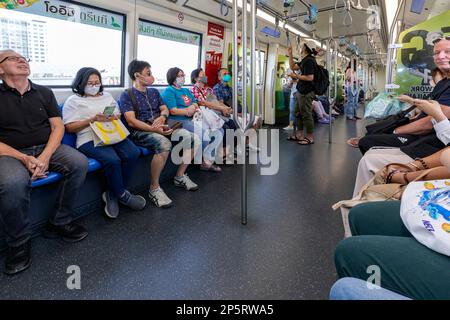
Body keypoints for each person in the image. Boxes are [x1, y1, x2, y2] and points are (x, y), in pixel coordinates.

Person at [0, 49, 89, 275]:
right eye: (13, 58)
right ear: (1, 68)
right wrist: (23, 158)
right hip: (10, 152)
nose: (21, 60)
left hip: (45, 147)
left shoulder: (44, 92)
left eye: (23, 58)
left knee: (78, 163)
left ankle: (59, 221)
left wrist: (44, 157)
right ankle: (18, 242)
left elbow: (57, 127)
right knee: (12, 183)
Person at [63, 67, 146, 218]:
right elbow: (69, 127)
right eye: (90, 83)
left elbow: (117, 114)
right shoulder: (73, 101)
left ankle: (112, 193)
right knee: (112, 160)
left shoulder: (107, 96)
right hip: (88, 137)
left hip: (111, 133)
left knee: (133, 153)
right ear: (81, 83)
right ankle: (121, 195)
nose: (94, 86)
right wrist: (91, 120)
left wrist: (111, 117)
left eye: (97, 82)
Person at [119, 60, 200, 209]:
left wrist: (162, 117)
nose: (151, 76)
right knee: (164, 144)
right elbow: (131, 121)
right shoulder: (127, 95)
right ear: (137, 75)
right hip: (141, 131)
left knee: (193, 139)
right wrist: (154, 129)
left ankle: (180, 176)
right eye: (148, 73)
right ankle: (154, 188)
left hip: (161, 126)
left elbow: (165, 109)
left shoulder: (154, 92)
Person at [357, 37, 450, 155]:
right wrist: (411, 103)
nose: (441, 56)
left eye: (447, 51)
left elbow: (429, 122)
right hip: (424, 133)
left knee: (367, 141)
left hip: (430, 140)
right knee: (375, 130)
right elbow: (428, 109)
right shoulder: (443, 83)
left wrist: (396, 131)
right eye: (437, 53)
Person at [162, 67, 223, 172]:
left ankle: (208, 160)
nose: (182, 78)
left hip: (194, 118)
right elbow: (173, 111)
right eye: (179, 76)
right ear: (172, 77)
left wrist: (192, 107)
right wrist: (187, 111)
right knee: (205, 136)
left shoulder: (185, 90)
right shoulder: (169, 91)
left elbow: (195, 102)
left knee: (218, 132)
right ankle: (200, 161)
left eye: (183, 75)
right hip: (179, 121)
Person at [288, 44, 317, 145]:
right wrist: (290, 54)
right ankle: (299, 134)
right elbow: (292, 66)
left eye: (302, 46)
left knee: (306, 114)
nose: (300, 47)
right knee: (298, 113)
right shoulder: (305, 60)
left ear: (305, 48)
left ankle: (310, 137)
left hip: (306, 92)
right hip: (301, 91)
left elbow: (310, 77)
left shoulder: (309, 60)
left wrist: (296, 76)